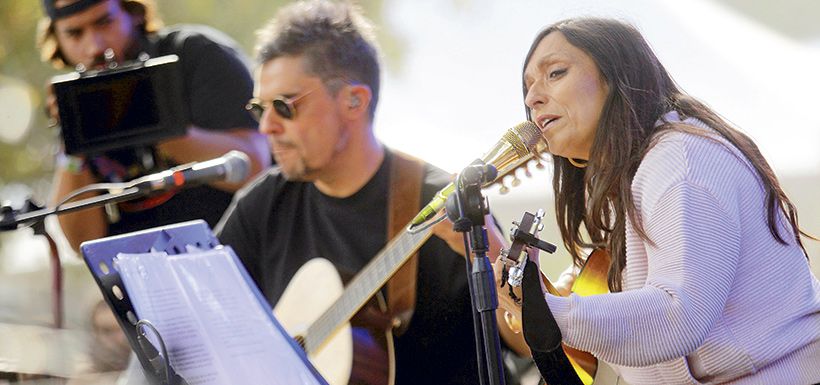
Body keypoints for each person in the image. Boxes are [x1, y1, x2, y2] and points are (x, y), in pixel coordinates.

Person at [215, 1, 524, 384]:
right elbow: (209, 321)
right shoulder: (264, 203)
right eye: (259, 108)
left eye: (283, 106)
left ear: (354, 101)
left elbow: (529, 345)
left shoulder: (441, 202)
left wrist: (490, 250)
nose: (266, 127)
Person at [516, 17, 820, 384]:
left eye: (556, 73)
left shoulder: (682, 160)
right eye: (529, 86)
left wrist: (549, 313)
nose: (533, 97)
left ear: (617, 76)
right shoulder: (627, 173)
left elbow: (678, 314)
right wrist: (521, 290)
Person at [37, 0, 270, 251]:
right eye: (74, 33)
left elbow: (255, 166)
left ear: (132, 12)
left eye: (104, 22)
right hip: (155, 275)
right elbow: (83, 241)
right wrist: (73, 144)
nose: (94, 46)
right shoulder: (78, 98)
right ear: (57, 40)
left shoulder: (194, 54)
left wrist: (142, 114)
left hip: (240, 254)